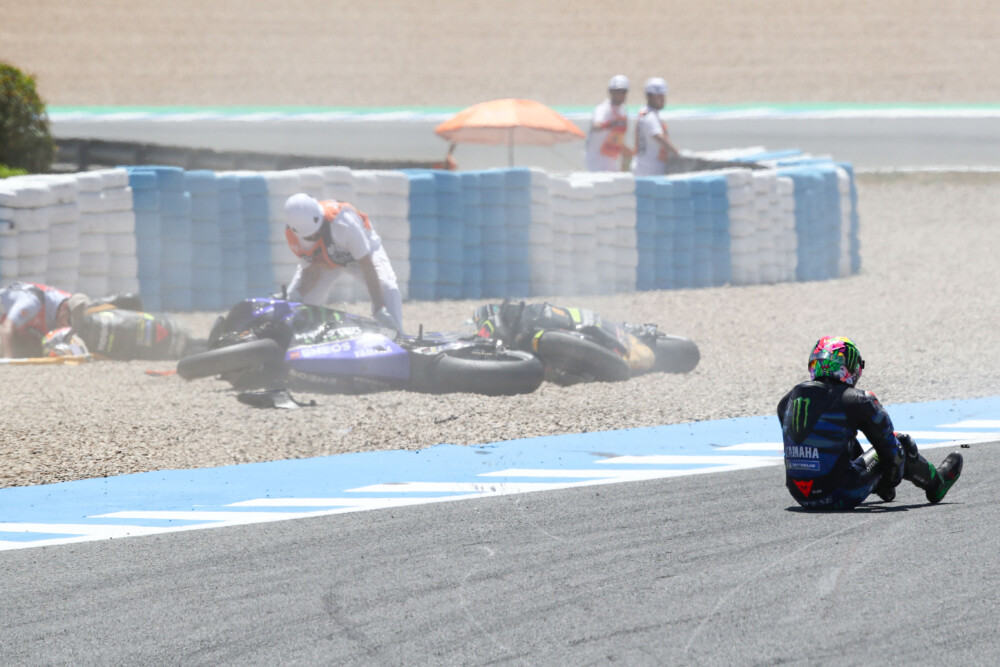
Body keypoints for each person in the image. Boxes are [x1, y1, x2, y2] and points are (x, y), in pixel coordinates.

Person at [778, 336, 963, 510]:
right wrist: (886, 483)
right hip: (840, 494)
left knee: (840, 437)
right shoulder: (857, 400)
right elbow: (893, 455)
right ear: (850, 367)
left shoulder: (786, 402)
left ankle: (877, 486)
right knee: (901, 443)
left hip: (800, 496)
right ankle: (937, 484)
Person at [283, 193, 403, 332]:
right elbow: (311, 272)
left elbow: (366, 265)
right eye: (309, 238)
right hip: (325, 259)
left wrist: (378, 307)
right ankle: (297, 338)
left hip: (360, 256)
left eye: (317, 232)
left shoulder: (344, 223)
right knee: (296, 304)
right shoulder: (293, 236)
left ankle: (398, 336)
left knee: (388, 288)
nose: (314, 237)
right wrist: (297, 295)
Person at [0, 281, 72, 358]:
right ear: (63, 309)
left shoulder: (69, 301)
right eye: (70, 322)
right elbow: (5, 330)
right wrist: (8, 360)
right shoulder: (32, 303)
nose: (70, 328)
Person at [631, 77, 681, 177]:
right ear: (651, 97)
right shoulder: (650, 117)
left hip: (643, 168)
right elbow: (658, 136)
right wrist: (676, 153)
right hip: (649, 171)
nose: (663, 100)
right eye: (660, 96)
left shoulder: (645, 113)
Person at [584, 75, 632, 172]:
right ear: (611, 92)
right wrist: (610, 124)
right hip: (596, 162)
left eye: (623, 92)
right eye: (618, 92)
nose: (621, 95)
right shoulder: (603, 109)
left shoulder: (622, 111)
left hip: (611, 161)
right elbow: (596, 126)